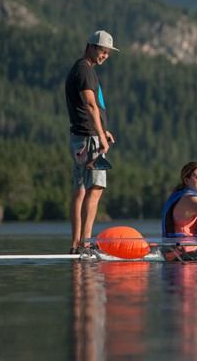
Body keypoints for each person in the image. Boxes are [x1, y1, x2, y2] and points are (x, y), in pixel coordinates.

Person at [65, 30, 118, 254]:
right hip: (89, 139)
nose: (105, 55)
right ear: (90, 47)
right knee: (95, 188)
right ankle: (85, 244)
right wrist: (100, 137)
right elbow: (90, 105)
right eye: (101, 50)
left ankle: (76, 244)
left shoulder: (80, 69)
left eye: (107, 52)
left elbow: (91, 108)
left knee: (80, 190)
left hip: (82, 136)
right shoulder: (85, 71)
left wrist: (103, 131)